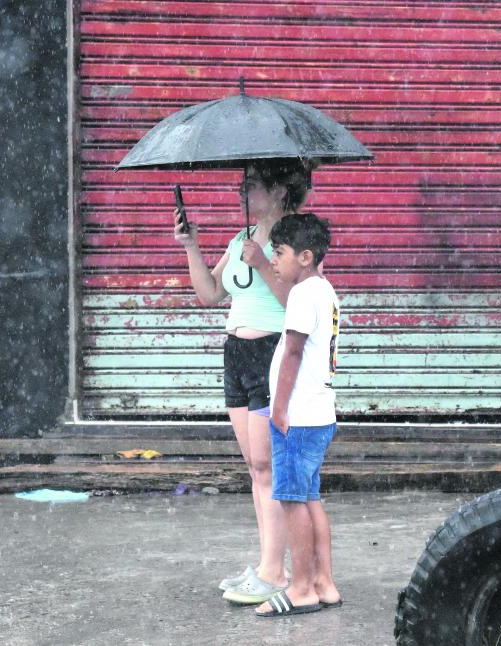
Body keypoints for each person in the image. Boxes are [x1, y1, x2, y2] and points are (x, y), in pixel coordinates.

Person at [173, 160, 313, 605]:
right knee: (256, 469)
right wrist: (191, 246)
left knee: (267, 466)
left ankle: (274, 572)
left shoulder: (292, 242)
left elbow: (301, 302)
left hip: (271, 354)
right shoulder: (240, 239)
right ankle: (268, 565)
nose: (242, 193)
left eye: (250, 186)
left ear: (276, 192)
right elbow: (211, 294)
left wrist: (265, 265)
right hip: (236, 355)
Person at [255, 213, 342, 617]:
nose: (274, 260)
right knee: (309, 498)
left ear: (305, 257)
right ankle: (324, 582)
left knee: (292, 501)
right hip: (318, 412)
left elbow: (292, 352)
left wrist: (278, 408)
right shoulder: (324, 290)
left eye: (280, 252)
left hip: (298, 416)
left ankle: (302, 588)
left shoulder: (304, 295)